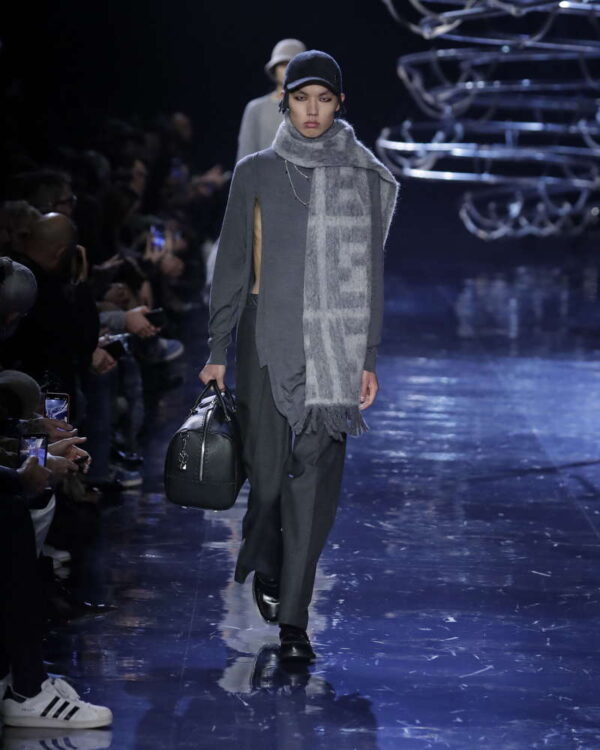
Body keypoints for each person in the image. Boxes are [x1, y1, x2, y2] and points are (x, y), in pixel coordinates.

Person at [199, 50, 398, 662]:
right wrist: (217, 348)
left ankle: (294, 620)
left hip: (335, 346)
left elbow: (369, 274)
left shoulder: (362, 175)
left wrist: (367, 355)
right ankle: (266, 561)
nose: (313, 111)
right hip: (267, 336)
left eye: (324, 99)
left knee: (312, 483)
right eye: (302, 98)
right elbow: (233, 263)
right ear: (284, 103)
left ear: (340, 105)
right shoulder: (256, 171)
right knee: (264, 480)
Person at [236, 39, 306, 163]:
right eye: (283, 64)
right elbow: (245, 157)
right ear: (274, 69)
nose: (288, 69)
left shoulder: (316, 108)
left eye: (293, 64)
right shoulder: (256, 109)